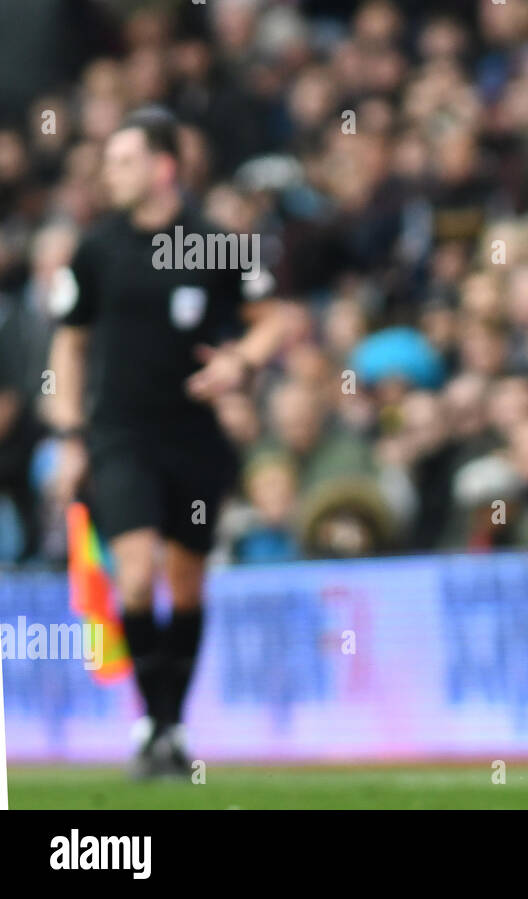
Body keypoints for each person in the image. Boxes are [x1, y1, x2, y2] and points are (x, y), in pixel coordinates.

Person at [45, 106, 290, 777]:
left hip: (195, 434)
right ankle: (151, 719)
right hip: (119, 433)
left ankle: (170, 725)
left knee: (185, 584)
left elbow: (274, 319)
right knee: (135, 572)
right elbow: (70, 341)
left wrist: (241, 362)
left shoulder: (214, 241)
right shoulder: (97, 248)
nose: (109, 174)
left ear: (163, 167)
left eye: (122, 161)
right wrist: (70, 428)